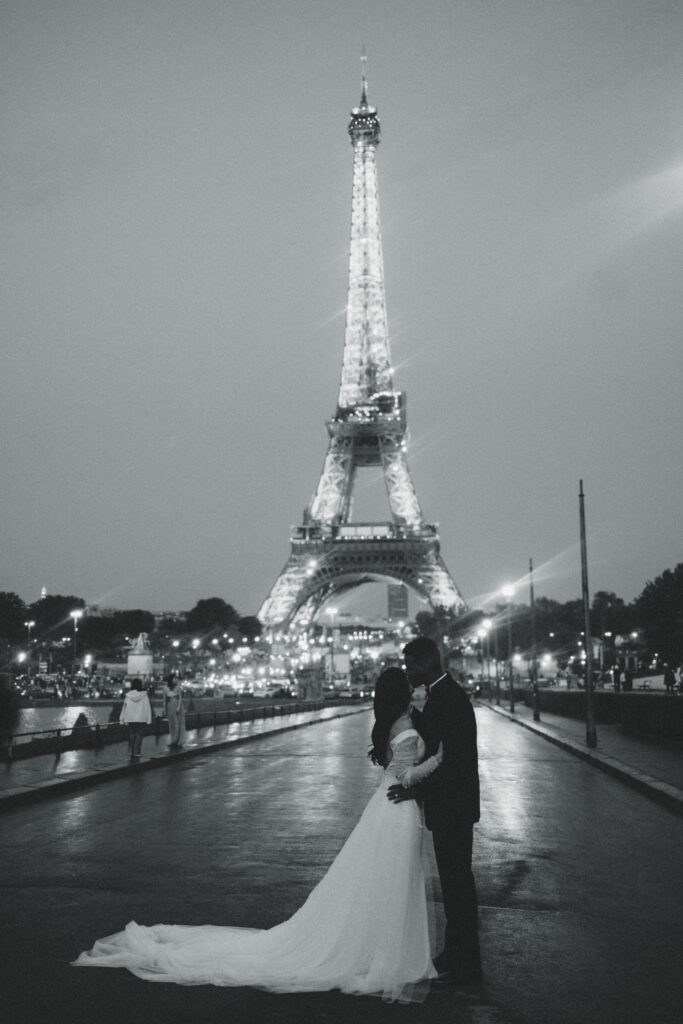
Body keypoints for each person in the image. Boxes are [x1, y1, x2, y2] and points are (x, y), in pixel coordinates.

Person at [72, 668, 437, 1002]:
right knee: (392, 882)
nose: (415, 689)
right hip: (396, 808)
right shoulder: (404, 722)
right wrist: (440, 759)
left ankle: (373, 947)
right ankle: (384, 949)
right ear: (402, 693)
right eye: (409, 687)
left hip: (387, 808)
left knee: (379, 882)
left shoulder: (394, 721)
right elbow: (405, 777)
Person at [388, 636, 482, 987]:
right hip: (451, 805)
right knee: (454, 883)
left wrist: (413, 788)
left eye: (411, 664)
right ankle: (456, 953)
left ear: (427, 661)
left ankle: (467, 964)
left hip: (453, 806)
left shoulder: (449, 699)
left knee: (458, 884)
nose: (408, 671)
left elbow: (451, 762)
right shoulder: (442, 695)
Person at [119, 679, 152, 763]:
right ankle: (136, 752)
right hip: (140, 718)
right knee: (139, 735)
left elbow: (125, 707)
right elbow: (147, 707)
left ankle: (132, 751)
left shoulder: (128, 695)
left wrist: (122, 719)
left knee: (132, 734)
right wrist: (148, 719)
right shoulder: (144, 695)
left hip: (130, 718)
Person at [163, 674, 185, 747]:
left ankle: (179, 740)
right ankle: (173, 740)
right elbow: (164, 700)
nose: (176, 680)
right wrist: (164, 709)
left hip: (177, 705)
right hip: (169, 705)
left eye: (176, 679)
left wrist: (178, 707)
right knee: (171, 723)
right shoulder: (165, 688)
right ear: (170, 679)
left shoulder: (178, 687)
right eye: (174, 678)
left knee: (178, 723)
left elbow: (180, 698)